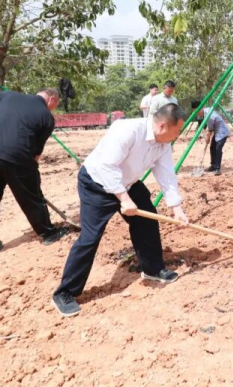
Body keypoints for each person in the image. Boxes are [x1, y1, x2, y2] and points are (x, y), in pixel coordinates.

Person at [52, 104, 190, 317]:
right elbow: (107, 166)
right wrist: (123, 199)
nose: (179, 135)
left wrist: (176, 208)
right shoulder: (127, 130)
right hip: (96, 183)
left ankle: (152, 269)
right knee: (90, 237)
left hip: (127, 183)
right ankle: (65, 292)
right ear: (163, 125)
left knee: (147, 223)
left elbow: (166, 175)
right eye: (178, 130)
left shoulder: (163, 145)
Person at [0, 88, 70, 257]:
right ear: (51, 99)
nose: (53, 108)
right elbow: (36, 154)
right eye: (55, 105)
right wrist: (32, 182)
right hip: (18, 158)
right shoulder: (47, 117)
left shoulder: (9, 95)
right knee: (32, 198)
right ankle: (48, 233)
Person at [198, 107, 231, 176]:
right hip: (217, 132)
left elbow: (210, 129)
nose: (197, 114)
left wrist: (208, 138)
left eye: (198, 112)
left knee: (218, 149)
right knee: (212, 147)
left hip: (223, 132)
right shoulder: (206, 110)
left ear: (201, 109)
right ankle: (213, 166)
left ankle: (217, 169)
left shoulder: (209, 116)